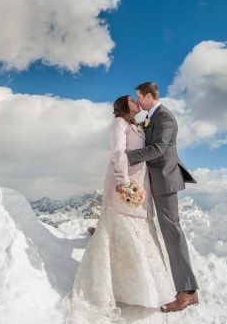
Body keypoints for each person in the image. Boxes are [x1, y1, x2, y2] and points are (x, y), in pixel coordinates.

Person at [69, 95, 175, 321]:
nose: (137, 103)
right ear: (124, 106)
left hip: (139, 186)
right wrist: (122, 182)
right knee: (120, 230)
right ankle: (113, 287)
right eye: (132, 100)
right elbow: (118, 152)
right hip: (124, 185)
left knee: (135, 233)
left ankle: (135, 286)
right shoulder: (118, 124)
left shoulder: (135, 125)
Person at [126, 81, 199, 313]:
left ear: (149, 96)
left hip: (165, 181)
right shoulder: (151, 116)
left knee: (172, 231)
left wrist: (126, 157)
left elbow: (157, 149)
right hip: (150, 179)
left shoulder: (165, 117)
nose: (137, 101)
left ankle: (188, 291)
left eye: (139, 96)